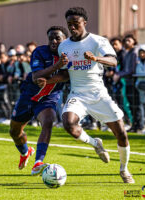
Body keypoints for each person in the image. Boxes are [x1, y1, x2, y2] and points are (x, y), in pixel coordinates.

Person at [40, 7, 135, 183]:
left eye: (76, 23)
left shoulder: (98, 41)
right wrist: (49, 80)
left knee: (121, 133)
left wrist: (96, 59)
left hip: (99, 95)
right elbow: (66, 74)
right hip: (78, 94)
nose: (72, 27)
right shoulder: (64, 46)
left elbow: (113, 61)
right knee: (68, 123)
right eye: (69, 24)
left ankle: (124, 169)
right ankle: (95, 144)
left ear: (84, 22)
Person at [9, 26, 69, 176]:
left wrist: (49, 81)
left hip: (49, 96)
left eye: (57, 38)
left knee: (48, 121)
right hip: (29, 95)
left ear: (65, 40)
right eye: (51, 38)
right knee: (15, 132)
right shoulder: (39, 52)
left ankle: (38, 162)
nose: (54, 41)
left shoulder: (70, 54)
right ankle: (25, 151)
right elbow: (36, 77)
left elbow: (67, 75)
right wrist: (57, 66)